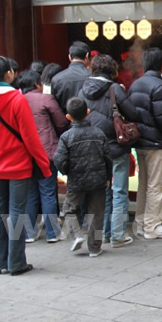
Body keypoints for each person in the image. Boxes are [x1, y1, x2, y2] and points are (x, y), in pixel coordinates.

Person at [0, 56, 52, 276]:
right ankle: (16, 262)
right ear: (9, 73)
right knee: (17, 211)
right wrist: (43, 164)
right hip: (18, 165)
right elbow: (30, 137)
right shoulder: (17, 100)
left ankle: (2, 262)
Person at [79, 53, 139, 248]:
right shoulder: (114, 88)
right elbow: (132, 112)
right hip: (115, 146)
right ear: (112, 70)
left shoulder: (83, 90)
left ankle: (104, 232)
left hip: (93, 147)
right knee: (119, 191)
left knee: (102, 192)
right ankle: (118, 235)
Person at [128, 47, 162, 240]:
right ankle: (153, 226)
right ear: (161, 65)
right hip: (155, 142)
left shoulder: (135, 84)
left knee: (143, 184)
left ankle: (141, 224)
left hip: (139, 141)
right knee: (156, 185)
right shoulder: (160, 86)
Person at [54, 97, 112, 258]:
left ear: (68, 116)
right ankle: (94, 247)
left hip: (76, 180)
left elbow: (59, 159)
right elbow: (108, 158)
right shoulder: (99, 133)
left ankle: (77, 234)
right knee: (97, 213)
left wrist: (67, 171)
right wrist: (108, 176)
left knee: (70, 209)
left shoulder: (66, 137)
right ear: (88, 112)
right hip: (98, 179)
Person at [19, 70, 69, 243]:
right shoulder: (45, 99)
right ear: (36, 84)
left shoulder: (17, 100)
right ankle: (52, 233)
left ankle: (29, 233)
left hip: (25, 153)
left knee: (31, 192)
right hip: (46, 150)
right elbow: (62, 121)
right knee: (48, 191)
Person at [51, 41, 91, 113]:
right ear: (87, 56)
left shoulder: (56, 79)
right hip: (90, 120)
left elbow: (54, 106)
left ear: (69, 57)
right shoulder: (93, 76)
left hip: (66, 120)